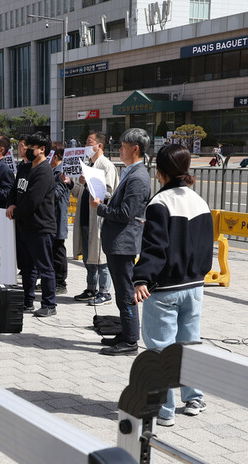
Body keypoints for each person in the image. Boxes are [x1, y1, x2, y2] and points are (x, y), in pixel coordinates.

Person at [132, 143, 214, 426]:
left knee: (159, 348)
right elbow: (206, 246)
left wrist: (142, 278)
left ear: (160, 171)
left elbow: (155, 247)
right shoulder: (199, 201)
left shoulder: (159, 203)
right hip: (194, 284)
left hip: (165, 287)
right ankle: (194, 397)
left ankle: (163, 410)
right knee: (189, 343)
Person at [91, 128, 153, 355]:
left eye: (123, 146)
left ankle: (130, 341)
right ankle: (127, 333)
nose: (119, 149)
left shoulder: (138, 177)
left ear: (135, 149)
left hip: (124, 243)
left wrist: (101, 208)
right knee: (121, 291)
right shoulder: (130, 172)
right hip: (118, 241)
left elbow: (126, 213)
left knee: (126, 292)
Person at [6, 132, 58, 317]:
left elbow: (33, 200)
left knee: (45, 267)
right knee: (26, 267)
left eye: (30, 147)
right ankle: (27, 301)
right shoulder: (24, 168)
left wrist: (16, 212)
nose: (26, 150)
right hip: (23, 225)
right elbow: (14, 190)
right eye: (25, 146)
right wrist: (11, 204)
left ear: (42, 149)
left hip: (40, 226)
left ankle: (49, 304)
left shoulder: (45, 171)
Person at [72, 132, 119, 307]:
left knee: (101, 257)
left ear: (99, 146)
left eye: (89, 142)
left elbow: (108, 192)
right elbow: (80, 193)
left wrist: (90, 182)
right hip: (85, 217)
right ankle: (91, 288)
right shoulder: (89, 165)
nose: (86, 145)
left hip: (98, 218)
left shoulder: (106, 165)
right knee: (88, 256)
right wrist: (72, 183)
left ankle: (104, 291)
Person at [50, 147, 71, 292]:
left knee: (58, 249)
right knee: (52, 249)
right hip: (51, 216)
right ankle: (52, 280)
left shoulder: (61, 172)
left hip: (57, 216)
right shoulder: (54, 171)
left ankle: (60, 282)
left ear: (56, 156)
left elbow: (56, 194)